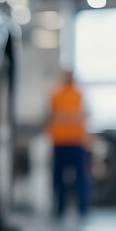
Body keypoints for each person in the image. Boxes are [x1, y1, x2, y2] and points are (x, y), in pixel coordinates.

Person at [47, 71, 90, 219]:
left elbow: (84, 117)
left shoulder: (78, 95)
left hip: (76, 142)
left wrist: (86, 139)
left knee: (80, 178)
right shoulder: (55, 95)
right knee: (59, 179)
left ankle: (83, 209)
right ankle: (60, 209)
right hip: (60, 142)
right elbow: (50, 116)